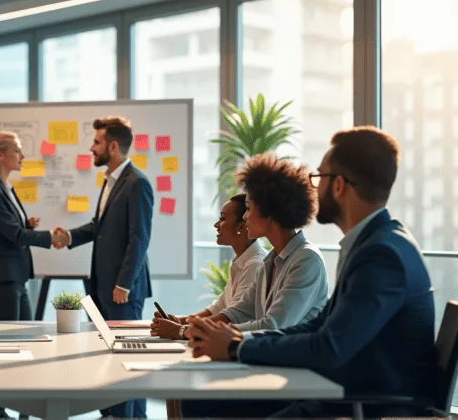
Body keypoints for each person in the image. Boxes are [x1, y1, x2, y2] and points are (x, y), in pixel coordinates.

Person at [182, 126, 435, 418]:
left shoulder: (381, 255)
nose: (314, 187)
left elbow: (329, 347)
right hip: (342, 393)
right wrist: (239, 343)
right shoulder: (375, 244)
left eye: (319, 177)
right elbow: (319, 326)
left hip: (363, 404)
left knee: (203, 403)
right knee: (199, 402)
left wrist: (236, 348)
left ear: (339, 185)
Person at [54, 116, 153, 419]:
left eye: (96, 142)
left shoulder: (137, 183)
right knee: (111, 359)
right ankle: (119, 415)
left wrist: (124, 283)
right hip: (103, 288)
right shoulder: (111, 181)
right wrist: (70, 236)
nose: (91, 148)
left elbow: (139, 238)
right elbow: (100, 226)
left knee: (125, 362)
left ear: (113, 146)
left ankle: (127, 417)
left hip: (122, 291)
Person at [0, 131, 65, 419]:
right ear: (0, 155)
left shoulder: (5, 187)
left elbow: (12, 228)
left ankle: (15, 408)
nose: (22, 157)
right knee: (3, 351)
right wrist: (48, 237)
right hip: (2, 279)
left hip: (15, 277)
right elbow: (13, 235)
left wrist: (27, 223)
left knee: (24, 343)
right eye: (17, 151)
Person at [197, 153, 328, 332]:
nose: (244, 216)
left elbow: (273, 326)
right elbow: (238, 312)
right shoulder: (269, 262)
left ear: (270, 212)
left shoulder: (307, 259)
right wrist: (190, 329)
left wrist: (202, 332)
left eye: (248, 208)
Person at [150, 193, 267, 340]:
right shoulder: (242, 261)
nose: (216, 224)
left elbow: (233, 317)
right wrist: (180, 322)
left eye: (222, 219)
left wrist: (180, 330)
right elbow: (218, 308)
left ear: (241, 226)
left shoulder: (254, 264)